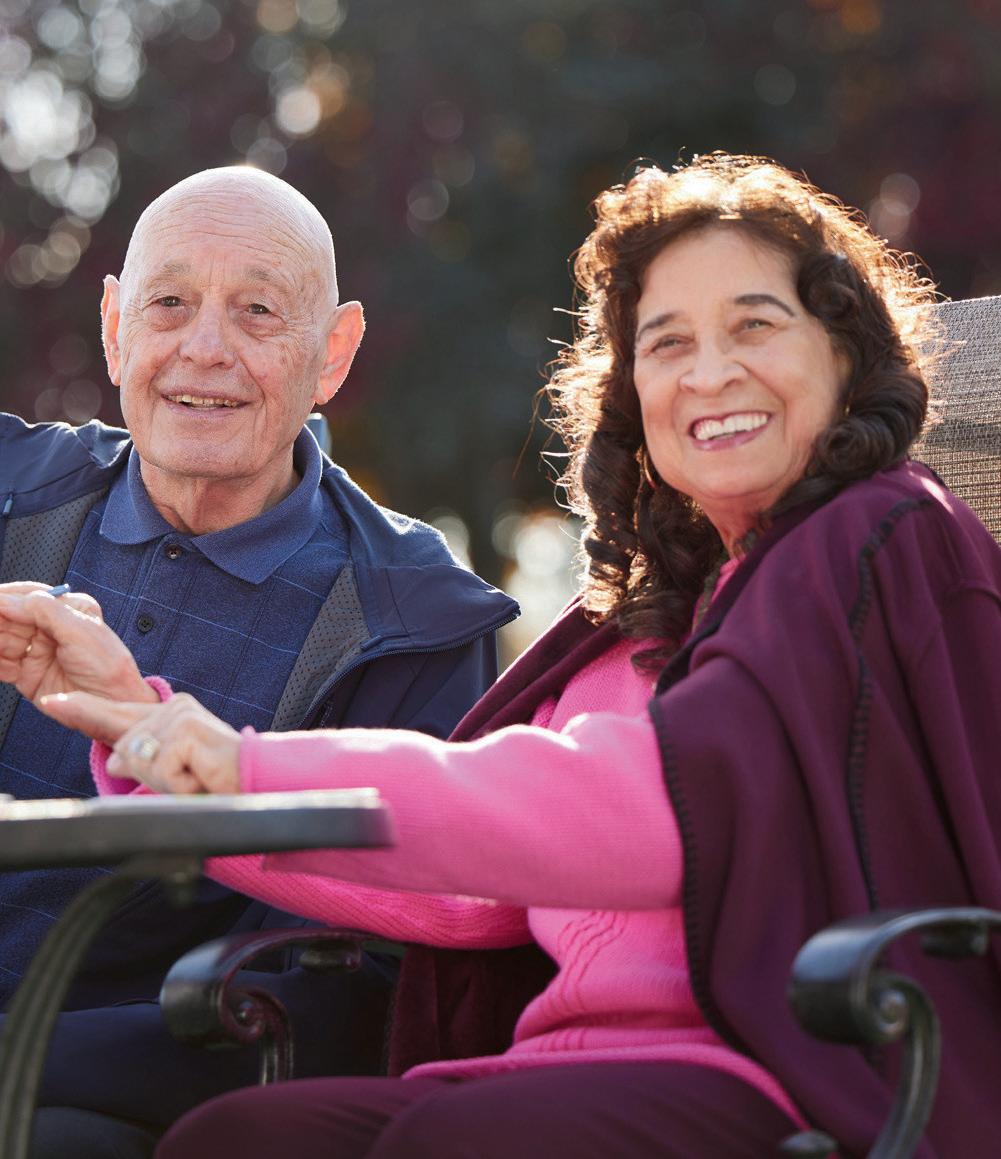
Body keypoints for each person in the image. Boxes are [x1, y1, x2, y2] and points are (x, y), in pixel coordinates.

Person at [15, 151, 1001, 1157]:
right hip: (546, 1070)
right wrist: (147, 734)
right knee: (237, 1138)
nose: (707, 373)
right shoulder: (628, 623)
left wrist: (239, 763)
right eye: (666, 342)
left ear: (844, 354)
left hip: (774, 1070)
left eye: (753, 326)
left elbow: (645, 806)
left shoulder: (877, 537)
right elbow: (472, 891)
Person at [0, 166, 516, 1157]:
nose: (205, 348)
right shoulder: (13, 494)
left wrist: (26, 1059)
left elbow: (366, 987)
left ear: (332, 353)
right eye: (169, 303)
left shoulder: (411, 615)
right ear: (114, 327)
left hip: (120, 1104)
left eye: (257, 312)